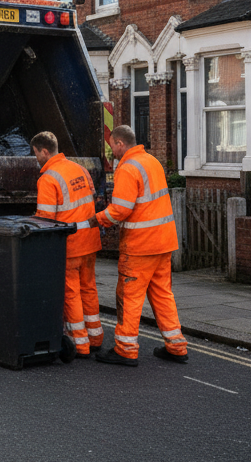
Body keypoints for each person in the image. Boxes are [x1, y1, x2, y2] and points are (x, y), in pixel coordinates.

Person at [90, 124, 188, 366]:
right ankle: (176, 346)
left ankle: (125, 348)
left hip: (140, 246)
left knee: (129, 297)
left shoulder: (128, 168)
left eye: (112, 145)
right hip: (163, 242)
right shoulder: (151, 161)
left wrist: (97, 219)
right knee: (163, 295)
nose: (111, 150)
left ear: (120, 143)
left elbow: (121, 210)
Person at [31, 131, 104, 358]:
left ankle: (80, 344)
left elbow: (45, 219)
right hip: (90, 242)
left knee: (71, 294)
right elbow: (92, 201)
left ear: (44, 151)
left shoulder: (48, 178)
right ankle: (95, 338)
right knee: (89, 289)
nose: (36, 159)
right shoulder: (80, 169)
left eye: (36, 154)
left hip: (69, 245)